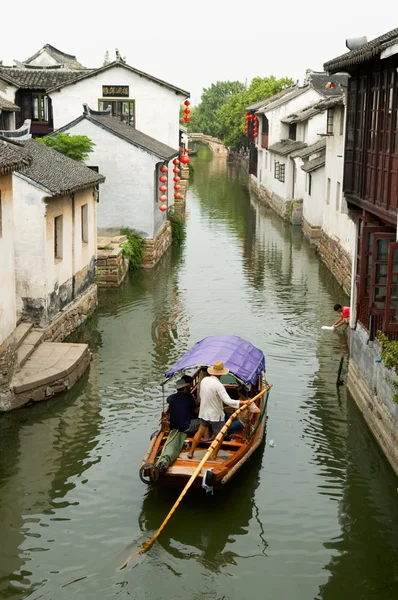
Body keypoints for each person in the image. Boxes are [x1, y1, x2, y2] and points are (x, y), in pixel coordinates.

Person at [188, 361, 251, 460]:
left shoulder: (204, 380)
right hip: (215, 416)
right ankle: (214, 457)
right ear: (221, 374)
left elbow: (201, 395)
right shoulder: (218, 385)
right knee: (220, 436)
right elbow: (228, 401)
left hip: (204, 413)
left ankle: (191, 453)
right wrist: (242, 403)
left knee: (199, 432)